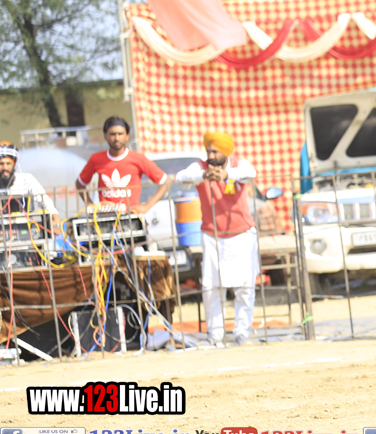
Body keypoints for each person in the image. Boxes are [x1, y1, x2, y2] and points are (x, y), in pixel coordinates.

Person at [174, 132, 259, 348]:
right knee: (211, 288)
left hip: (242, 234)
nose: (211, 156)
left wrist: (227, 174)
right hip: (212, 236)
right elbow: (180, 178)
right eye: (208, 151)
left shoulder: (239, 165)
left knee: (245, 287)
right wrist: (204, 176)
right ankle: (215, 334)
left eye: (215, 152)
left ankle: (241, 332)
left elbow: (251, 173)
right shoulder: (200, 167)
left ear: (226, 152)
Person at [76, 117, 170, 214]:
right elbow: (80, 183)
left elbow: (166, 182)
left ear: (127, 136)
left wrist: (147, 206)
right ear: (105, 136)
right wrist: (90, 204)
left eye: (120, 134)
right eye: (112, 134)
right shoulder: (96, 159)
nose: (117, 138)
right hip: (106, 218)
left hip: (131, 217)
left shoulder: (138, 158)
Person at [0, 142, 61, 228]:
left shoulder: (26, 179)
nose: (5, 168)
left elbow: (44, 200)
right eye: (1, 164)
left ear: (14, 164)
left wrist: (55, 218)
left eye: (8, 164)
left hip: (25, 228)